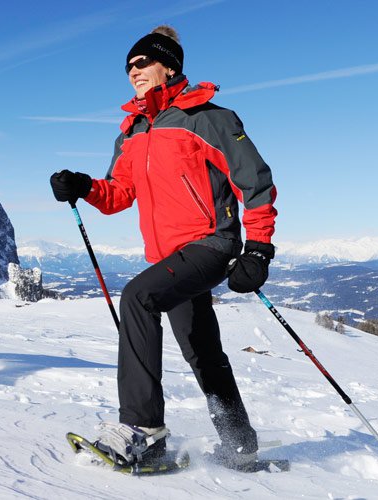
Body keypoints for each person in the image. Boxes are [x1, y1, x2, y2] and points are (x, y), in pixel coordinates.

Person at [50, 26, 277, 468]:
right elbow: (118, 193)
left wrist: (258, 249)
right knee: (203, 353)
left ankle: (143, 431)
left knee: (139, 297)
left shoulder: (208, 118)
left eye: (141, 63)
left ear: (168, 66)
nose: (132, 71)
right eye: (128, 66)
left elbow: (256, 183)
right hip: (169, 257)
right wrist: (83, 186)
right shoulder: (132, 132)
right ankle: (241, 446)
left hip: (211, 243)